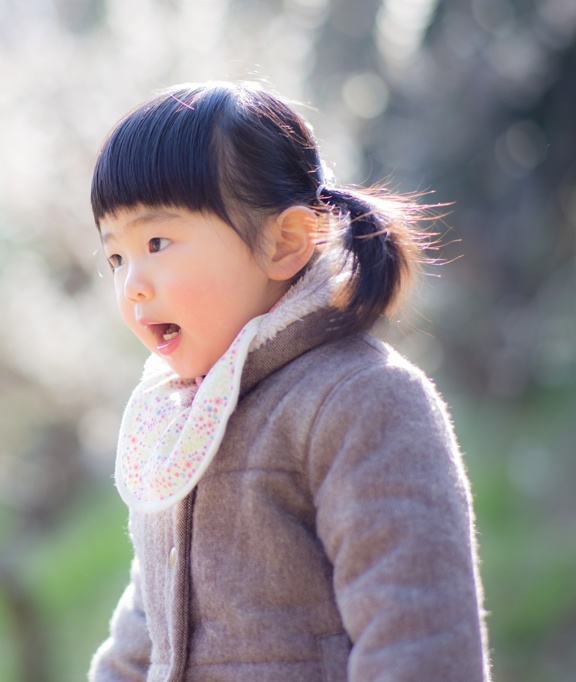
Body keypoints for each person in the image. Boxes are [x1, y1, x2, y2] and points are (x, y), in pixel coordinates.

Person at [87, 81, 491, 682]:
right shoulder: (180, 419)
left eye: (156, 241)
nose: (132, 285)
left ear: (286, 243)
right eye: (116, 257)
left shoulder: (360, 400)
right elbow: (143, 634)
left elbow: (419, 639)